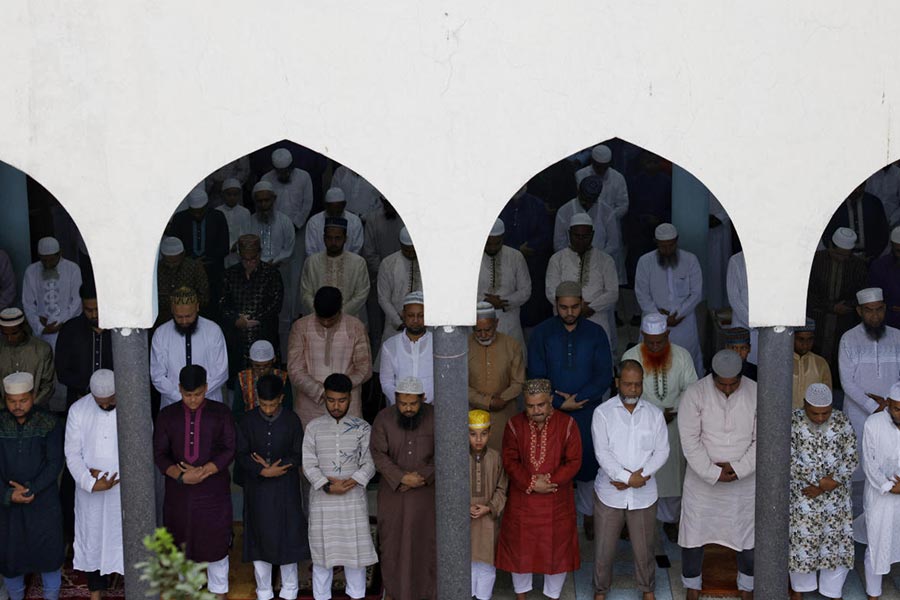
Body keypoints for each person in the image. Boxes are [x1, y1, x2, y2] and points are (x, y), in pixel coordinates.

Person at [528, 281, 612, 539]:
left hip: (587, 412)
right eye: (563, 307)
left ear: (582, 303)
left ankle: (587, 515)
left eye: (575, 307)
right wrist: (556, 402)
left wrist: (580, 398)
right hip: (551, 414)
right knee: (552, 463)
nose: (569, 313)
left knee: (587, 463)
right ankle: (555, 519)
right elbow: (535, 372)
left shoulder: (596, 332)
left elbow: (604, 375)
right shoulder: (542, 333)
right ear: (555, 304)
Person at [678, 350, 757, 600]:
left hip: (743, 481)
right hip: (702, 481)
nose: (728, 388)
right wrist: (712, 472)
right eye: (721, 383)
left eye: (733, 383)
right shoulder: (695, 393)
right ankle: (693, 583)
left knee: (747, 534)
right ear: (711, 377)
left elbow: (763, 438)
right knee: (693, 533)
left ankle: (746, 585)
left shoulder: (756, 392)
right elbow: (689, 440)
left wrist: (739, 468)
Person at [153, 365, 236, 600]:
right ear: (179, 390)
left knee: (216, 544)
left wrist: (204, 470)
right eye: (187, 395)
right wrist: (180, 475)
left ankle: (219, 593)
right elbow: (159, 454)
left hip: (213, 491)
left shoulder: (221, 413)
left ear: (207, 389)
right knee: (182, 542)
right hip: (180, 494)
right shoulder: (167, 415)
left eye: (198, 394)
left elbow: (230, 448)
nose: (192, 400)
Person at [496, 378, 582, 600]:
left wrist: (550, 481)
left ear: (551, 401)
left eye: (541, 405)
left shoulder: (568, 424)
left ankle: (553, 595)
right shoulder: (514, 424)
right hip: (523, 500)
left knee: (558, 550)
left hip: (557, 499)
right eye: (531, 406)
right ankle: (521, 595)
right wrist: (532, 483)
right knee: (520, 549)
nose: (536, 411)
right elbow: (510, 461)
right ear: (524, 404)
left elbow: (574, 462)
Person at [591, 360, 669, 600]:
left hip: (644, 494)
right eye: (627, 385)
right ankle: (600, 590)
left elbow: (662, 451)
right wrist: (626, 477)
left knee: (645, 549)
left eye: (637, 385)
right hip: (609, 492)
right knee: (604, 549)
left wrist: (639, 478)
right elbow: (602, 453)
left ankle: (647, 589)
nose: (633, 390)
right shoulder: (602, 413)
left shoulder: (654, 415)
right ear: (617, 383)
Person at [302, 373, 379, 600]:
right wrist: (326, 486)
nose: (336, 406)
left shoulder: (363, 427)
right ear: (324, 398)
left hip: (352, 500)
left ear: (350, 398)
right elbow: (308, 463)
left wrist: (352, 481)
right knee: (322, 557)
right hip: (323, 502)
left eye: (342, 400)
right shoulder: (313, 428)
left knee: (355, 557)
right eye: (331, 400)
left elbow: (370, 462)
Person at [235, 373, 309, 600]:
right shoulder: (246, 421)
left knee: (288, 539)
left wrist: (281, 467)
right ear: (257, 399)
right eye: (264, 404)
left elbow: (298, 454)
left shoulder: (292, 420)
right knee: (259, 540)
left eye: (272, 404)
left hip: (285, 488)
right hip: (257, 490)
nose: (268, 409)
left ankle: (289, 591)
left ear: (281, 398)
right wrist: (262, 471)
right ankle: (264, 591)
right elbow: (240, 454)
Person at [621, 313, 698, 530]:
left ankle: (671, 521)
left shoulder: (682, 356)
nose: (655, 347)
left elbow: (692, 391)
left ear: (668, 334)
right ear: (643, 336)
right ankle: (638, 522)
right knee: (640, 473)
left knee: (673, 478)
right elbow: (626, 391)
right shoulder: (630, 356)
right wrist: (653, 414)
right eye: (650, 342)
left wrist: (675, 410)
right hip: (640, 426)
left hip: (674, 426)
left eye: (660, 341)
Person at [788, 383, 857, 600]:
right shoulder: (793, 422)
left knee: (835, 544)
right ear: (805, 405)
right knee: (801, 542)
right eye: (814, 413)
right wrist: (819, 483)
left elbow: (852, 455)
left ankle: (832, 591)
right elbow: (788, 457)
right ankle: (799, 589)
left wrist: (834, 481)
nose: (819, 418)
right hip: (804, 494)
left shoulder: (842, 421)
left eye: (825, 413)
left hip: (835, 497)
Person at [0, 372, 65, 600]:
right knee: (10, 558)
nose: (18, 406)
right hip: (8, 507)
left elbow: (55, 462)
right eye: (12, 401)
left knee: (49, 557)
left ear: (33, 396)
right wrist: (8, 494)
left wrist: (30, 489)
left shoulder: (49, 422)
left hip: (43, 503)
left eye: (23, 400)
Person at [370, 376, 436, 600]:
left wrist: (424, 476)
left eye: (413, 403)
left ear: (423, 398)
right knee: (392, 546)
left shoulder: (435, 416)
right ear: (396, 399)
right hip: (393, 494)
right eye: (403, 403)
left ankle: (426, 594)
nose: (408, 408)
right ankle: (395, 593)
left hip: (425, 495)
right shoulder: (383, 418)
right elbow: (378, 453)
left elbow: (445, 451)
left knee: (425, 545)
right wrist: (401, 477)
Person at [839, 287, 900, 514]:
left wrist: (890, 405)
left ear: (884, 309)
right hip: (858, 415)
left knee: (888, 461)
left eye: (878, 310)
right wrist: (875, 407)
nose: (874, 316)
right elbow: (847, 382)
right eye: (868, 311)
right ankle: (856, 519)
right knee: (859, 463)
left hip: (894, 414)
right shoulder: (849, 339)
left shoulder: (897, 337)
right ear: (859, 311)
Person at [64, 370, 124, 600]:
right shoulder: (79, 410)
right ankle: (96, 592)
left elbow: (142, 445)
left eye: (111, 402)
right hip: (91, 492)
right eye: (102, 403)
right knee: (93, 540)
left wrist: (124, 476)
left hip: (124, 489)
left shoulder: (132, 405)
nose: (107, 407)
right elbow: (72, 454)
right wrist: (90, 482)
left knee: (123, 537)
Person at [287, 286, 371, 428]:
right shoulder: (300, 327)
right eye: (321, 318)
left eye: (331, 319)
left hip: (347, 404)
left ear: (340, 310)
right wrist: (321, 392)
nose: (326, 323)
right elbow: (295, 369)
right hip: (310, 405)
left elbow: (365, 368)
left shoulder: (355, 327)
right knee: (311, 446)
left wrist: (339, 390)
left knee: (347, 447)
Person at [635, 223, 705, 376]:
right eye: (663, 246)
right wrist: (659, 317)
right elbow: (642, 294)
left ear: (677, 241)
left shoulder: (690, 260)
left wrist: (679, 314)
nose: (667, 251)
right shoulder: (645, 262)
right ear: (656, 243)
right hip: (653, 321)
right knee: (652, 364)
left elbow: (696, 293)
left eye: (670, 246)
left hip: (684, 322)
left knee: (686, 361)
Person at [545, 213, 619, 347]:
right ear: (569, 234)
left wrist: (591, 307)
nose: (580, 240)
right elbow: (551, 291)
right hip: (565, 319)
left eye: (585, 236)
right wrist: (571, 309)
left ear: (592, 234)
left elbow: (613, 292)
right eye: (576, 236)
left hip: (596, 318)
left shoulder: (605, 260)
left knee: (597, 359)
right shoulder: (557, 259)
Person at [150, 286, 228, 408]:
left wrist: (198, 396)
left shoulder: (213, 331)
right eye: (179, 317)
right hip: (173, 405)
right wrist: (181, 397)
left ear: (197, 307)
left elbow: (221, 372)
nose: (184, 321)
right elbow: (157, 375)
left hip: (209, 403)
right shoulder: (161, 334)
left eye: (189, 316)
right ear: (172, 310)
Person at [856, 382, 900, 599]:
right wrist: (889, 486)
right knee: (877, 543)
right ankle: (874, 593)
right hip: (880, 496)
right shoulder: (873, 423)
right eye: (897, 408)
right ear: (888, 404)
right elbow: (869, 462)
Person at [219, 234, 284, 377]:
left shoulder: (272, 274)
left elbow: (276, 304)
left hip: (264, 333)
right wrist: (236, 320)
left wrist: (253, 319)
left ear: (259, 254)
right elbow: (222, 304)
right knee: (239, 381)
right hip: (237, 338)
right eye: (245, 260)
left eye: (253, 259)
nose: (249, 263)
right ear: (239, 256)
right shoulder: (230, 274)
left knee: (267, 381)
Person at [807, 227, 868, 367]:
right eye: (838, 254)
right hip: (817, 318)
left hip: (844, 322)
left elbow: (862, 294)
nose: (841, 259)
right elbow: (807, 293)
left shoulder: (858, 266)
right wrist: (831, 307)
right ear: (830, 246)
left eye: (845, 256)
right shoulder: (816, 261)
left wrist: (848, 306)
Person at [468, 302, 525, 450]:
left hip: (504, 415)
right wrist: (487, 401)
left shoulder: (512, 345)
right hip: (472, 415)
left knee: (504, 458)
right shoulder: (464, 346)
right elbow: (459, 385)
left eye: (488, 329)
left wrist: (502, 399)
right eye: (477, 330)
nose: (483, 335)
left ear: (497, 323)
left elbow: (519, 382)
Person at [499, 185, 554, 330]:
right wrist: (517, 249)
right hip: (503, 264)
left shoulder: (537, 205)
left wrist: (529, 247)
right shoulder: (498, 205)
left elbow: (546, 235)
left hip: (532, 264)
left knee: (532, 311)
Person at [467, 409, 508, 600]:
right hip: (464, 519)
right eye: (473, 434)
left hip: (488, 520)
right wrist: (461, 508)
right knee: (465, 562)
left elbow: (502, 488)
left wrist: (489, 507)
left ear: (490, 433)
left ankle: (483, 597)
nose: (478, 439)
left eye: (483, 434)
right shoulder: (457, 458)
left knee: (486, 565)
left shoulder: (495, 457)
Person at [573, 144, 629, 282]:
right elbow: (577, 202)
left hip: (610, 227)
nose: (601, 170)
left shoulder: (618, 178)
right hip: (585, 225)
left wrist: (607, 217)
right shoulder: (580, 175)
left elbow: (623, 205)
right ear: (592, 162)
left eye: (604, 167)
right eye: (598, 166)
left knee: (609, 273)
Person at [55, 283, 114, 407]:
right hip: (79, 401)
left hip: (114, 402)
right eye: (89, 310)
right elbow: (62, 372)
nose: (94, 315)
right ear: (82, 305)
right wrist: (88, 388)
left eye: (98, 309)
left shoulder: (117, 331)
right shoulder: (70, 330)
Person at [300, 217, 370, 321]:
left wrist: (339, 314)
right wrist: (321, 313)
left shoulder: (358, 262)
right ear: (324, 238)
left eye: (337, 238)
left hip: (349, 321)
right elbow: (306, 293)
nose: (333, 242)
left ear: (345, 238)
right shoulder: (311, 262)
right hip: (318, 320)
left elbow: (361, 293)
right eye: (329, 238)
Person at [477, 218, 531, 349]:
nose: (492, 248)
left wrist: (502, 302)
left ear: (503, 238)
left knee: (512, 362)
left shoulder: (515, 256)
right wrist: (484, 301)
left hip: (509, 319)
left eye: (497, 243)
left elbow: (525, 290)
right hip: (480, 322)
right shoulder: (473, 257)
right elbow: (463, 291)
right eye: (488, 244)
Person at [22, 236, 83, 351]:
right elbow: (27, 303)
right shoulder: (31, 271)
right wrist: (40, 327)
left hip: (67, 328)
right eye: (44, 260)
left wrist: (60, 322)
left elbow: (77, 302)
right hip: (42, 332)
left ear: (59, 254)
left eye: (51, 260)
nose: (48, 264)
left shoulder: (72, 269)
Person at [169, 189, 230, 302]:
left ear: (207, 206)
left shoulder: (218, 217)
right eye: (194, 212)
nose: (197, 215)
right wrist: (192, 262)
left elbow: (224, 246)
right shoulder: (179, 219)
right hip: (186, 271)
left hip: (212, 269)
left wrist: (206, 260)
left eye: (201, 211)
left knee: (213, 303)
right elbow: (174, 247)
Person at [380, 291, 433, 404]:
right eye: (411, 315)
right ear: (403, 315)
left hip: (431, 408)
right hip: (399, 408)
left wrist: (422, 402)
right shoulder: (390, 345)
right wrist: (403, 402)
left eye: (421, 316)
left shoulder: (437, 344)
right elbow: (386, 381)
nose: (415, 320)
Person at [553, 175, 620, 263]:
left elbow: (613, 244)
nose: (588, 204)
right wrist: (573, 259)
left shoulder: (607, 212)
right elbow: (559, 244)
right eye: (585, 200)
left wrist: (597, 258)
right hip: (570, 263)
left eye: (591, 202)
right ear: (579, 192)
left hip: (600, 264)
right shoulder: (564, 211)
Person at [376, 227, 422, 346]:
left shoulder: (427, 263)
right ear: (400, 245)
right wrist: (399, 323)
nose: (411, 254)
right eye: (407, 250)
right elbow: (383, 298)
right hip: (395, 327)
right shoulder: (388, 263)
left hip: (423, 325)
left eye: (414, 250)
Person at [0, 307, 55, 405]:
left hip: (37, 410)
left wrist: (29, 405)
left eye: (14, 333)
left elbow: (48, 386)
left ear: (24, 327)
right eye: (5, 334)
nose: (10, 338)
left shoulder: (42, 349)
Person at [823, 184, 890, 263]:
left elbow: (883, 233)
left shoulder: (874, 203)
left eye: (860, 186)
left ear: (865, 184)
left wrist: (873, 255)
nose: (856, 190)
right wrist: (833, 251)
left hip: (869, 258)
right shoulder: (834, 204)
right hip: (840, 257)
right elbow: (826, 232)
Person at [156, 236, 210, 324]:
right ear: (162, 256)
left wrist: (184, 303)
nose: (171, 266)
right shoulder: (157, 270)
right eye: (168, 262)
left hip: (191, 320)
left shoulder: (194, 268)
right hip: (162, 320)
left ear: (183, 254)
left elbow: (204, 297)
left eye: (175, 262)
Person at [261, 147, 315, 233]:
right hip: (274, 227)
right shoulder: (266, 179)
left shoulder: (304, 177)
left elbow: (307, 203)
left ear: (292, 167)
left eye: (286, 171)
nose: (283, 175)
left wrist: (297, 224)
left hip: (299, 227)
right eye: (280, 172)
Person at [234, 340, 292, 419]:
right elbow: (237, 411)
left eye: (266, 366)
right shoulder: (242, 378)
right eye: (257, 366)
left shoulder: (282, 377)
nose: (261, 370)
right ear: (251, 362)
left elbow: (287, 407)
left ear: (273, 360)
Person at [305, 188, 364, 257]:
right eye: (332, 211)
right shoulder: (314, 222)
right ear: (326, 205)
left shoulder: (355, 221)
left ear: (344, 205)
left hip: (349, 265)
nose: (335, 214)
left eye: (338, 211)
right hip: (320, 265)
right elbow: (311, 250)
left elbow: (357, 249)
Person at [792, 319, 832, 409]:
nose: (805, 344)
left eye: (809, 339)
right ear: (792, 338)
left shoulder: (820, 363)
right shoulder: (782, 362)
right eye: (800, 339)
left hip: (811, 419)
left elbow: (827, 397)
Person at [726, 250, 758, 364]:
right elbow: (734, 298)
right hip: (742, 326)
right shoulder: (736, 260)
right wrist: (753, 322)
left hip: (764, 329)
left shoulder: (769, 258)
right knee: (739, 366)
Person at [867, 226, 900, 329]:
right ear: (892, 247)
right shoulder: (879, 266)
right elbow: (873, 297)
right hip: (889, 322)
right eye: (899, 251)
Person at [215, 178, 251, 268]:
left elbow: (247, 232)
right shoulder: (217, 211)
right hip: (222, 253)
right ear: (223, 195)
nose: (232, 197)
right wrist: (228, 246)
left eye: (235, 194)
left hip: (240, 253)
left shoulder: (245, 212)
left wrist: (238, 245)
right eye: (229, 194)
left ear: (239, 195)